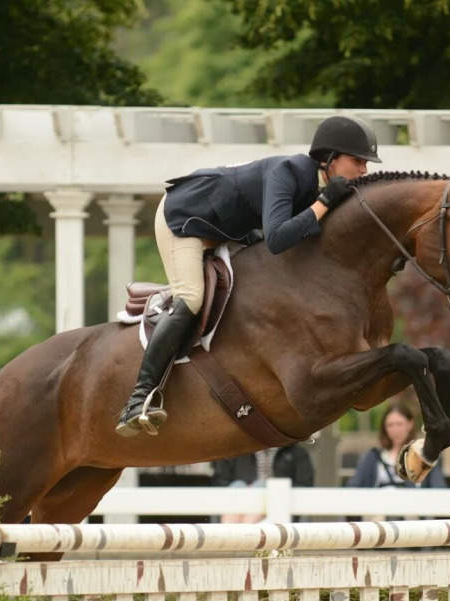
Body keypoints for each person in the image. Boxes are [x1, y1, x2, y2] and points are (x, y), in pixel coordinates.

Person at [116, 116, 382, 437]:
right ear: (330, 159)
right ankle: (140, 397)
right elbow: (279, 238)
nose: (364, 170)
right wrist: (325, 203)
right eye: (358, 161)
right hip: (185, 219)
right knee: (192, 297)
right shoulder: (290, 171)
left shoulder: (322, 185)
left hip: (230, 228)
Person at [347, 404, 447, 489]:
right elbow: (353, 488)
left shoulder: (425, 456)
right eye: (390, 425)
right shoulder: (372, 457)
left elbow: (439, 490)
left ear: (410, 424)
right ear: (384, 428)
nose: (395, 430)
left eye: (399, 424)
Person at [210, 445, 315, 523]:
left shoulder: (296, 452)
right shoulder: (237, 450)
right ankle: (243, 534)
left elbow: (304, 484)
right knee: (238, 485)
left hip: (276, 500)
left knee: (261, 485)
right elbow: (221, 480)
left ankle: (237, 535)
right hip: (240, 499)